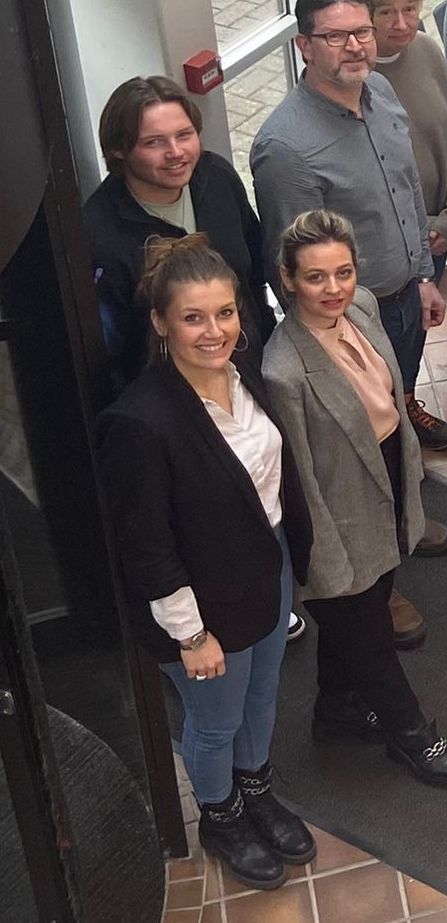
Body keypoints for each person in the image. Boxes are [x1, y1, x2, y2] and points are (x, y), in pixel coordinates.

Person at [96, 236, 316, 891]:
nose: (214, 330)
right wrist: (190, 634)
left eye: (225, 312)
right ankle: (220, 814)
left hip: (265, 565)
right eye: (193, 317)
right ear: (161, 323)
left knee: (262, 693)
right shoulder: (140, 420)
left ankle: (256, 789)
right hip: (199, 600)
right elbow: (146, 544)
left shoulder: (244, 372)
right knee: (214, 718)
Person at [263, 211, 447, 790]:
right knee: (368, 630)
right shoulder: (284, 372)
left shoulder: (363, 310)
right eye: (315, 278)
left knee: (358, 618)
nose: (334, 290)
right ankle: (411, 734)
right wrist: (323, 560)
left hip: (386, 482)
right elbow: (299, 479)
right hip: (336, 511)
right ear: (287, 279)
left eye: (343, 272)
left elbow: (391, 408)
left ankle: (335, 709)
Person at [251, 0, 445, 428]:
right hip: (351, 319)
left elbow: (407, 188)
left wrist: (423, 275)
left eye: (362, 32)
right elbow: (292, 265)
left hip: (406, 296)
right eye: (335, 37)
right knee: (364, 426)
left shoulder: (380, 91)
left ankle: (406, 409)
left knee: (399, 386)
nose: (354, 46)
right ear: (305, 46)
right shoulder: (285, 148)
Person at [84, 76, 273, 391]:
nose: (176, 152)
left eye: (184, 135)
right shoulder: (98, 234)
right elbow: (109, 353)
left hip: (251, 374)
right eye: (154, 142)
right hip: (174, 404)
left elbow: (254, 274)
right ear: (118, 150)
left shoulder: (217, 177)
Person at [359, 0, 447, 452]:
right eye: (387, 12)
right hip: (387, 244)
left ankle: (406, 401)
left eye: (411, 9)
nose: (402, 23)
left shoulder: (428, 51)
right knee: (383, 335)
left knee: (417, 329)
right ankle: (384, 422)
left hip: (437, 232)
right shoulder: (354, 80)